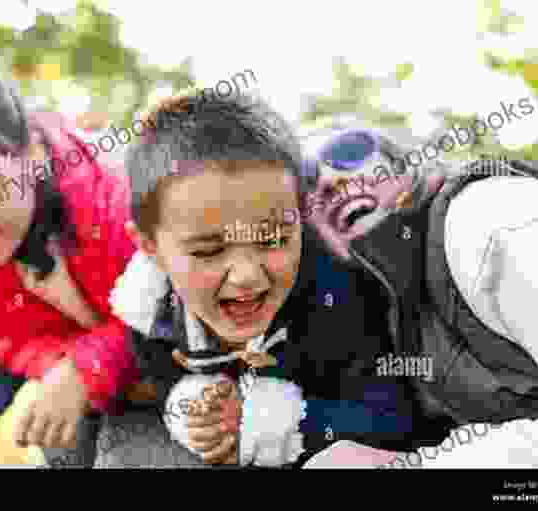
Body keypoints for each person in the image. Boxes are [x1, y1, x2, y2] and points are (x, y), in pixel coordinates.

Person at [100, 88, 433, 468]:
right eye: (208, 251)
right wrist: (195, 413)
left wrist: (271, 422)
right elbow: (165, 384)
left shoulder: (338, 292)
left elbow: (395, 414)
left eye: (274, 240)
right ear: (150, 248)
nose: (246, 277)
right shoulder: (151, 314)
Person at [297, 123, 538, 468]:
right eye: (307, 180)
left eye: (347, 151)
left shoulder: (491, 219)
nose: (329, 180)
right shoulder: (408, 312)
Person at [0, 31, 139, 467]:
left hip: (121, 338)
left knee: (79, 443)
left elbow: (159, 322)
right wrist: (54, 365)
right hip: (24, 337)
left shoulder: (108, 207)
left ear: (32, 154)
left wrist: (83, 369)